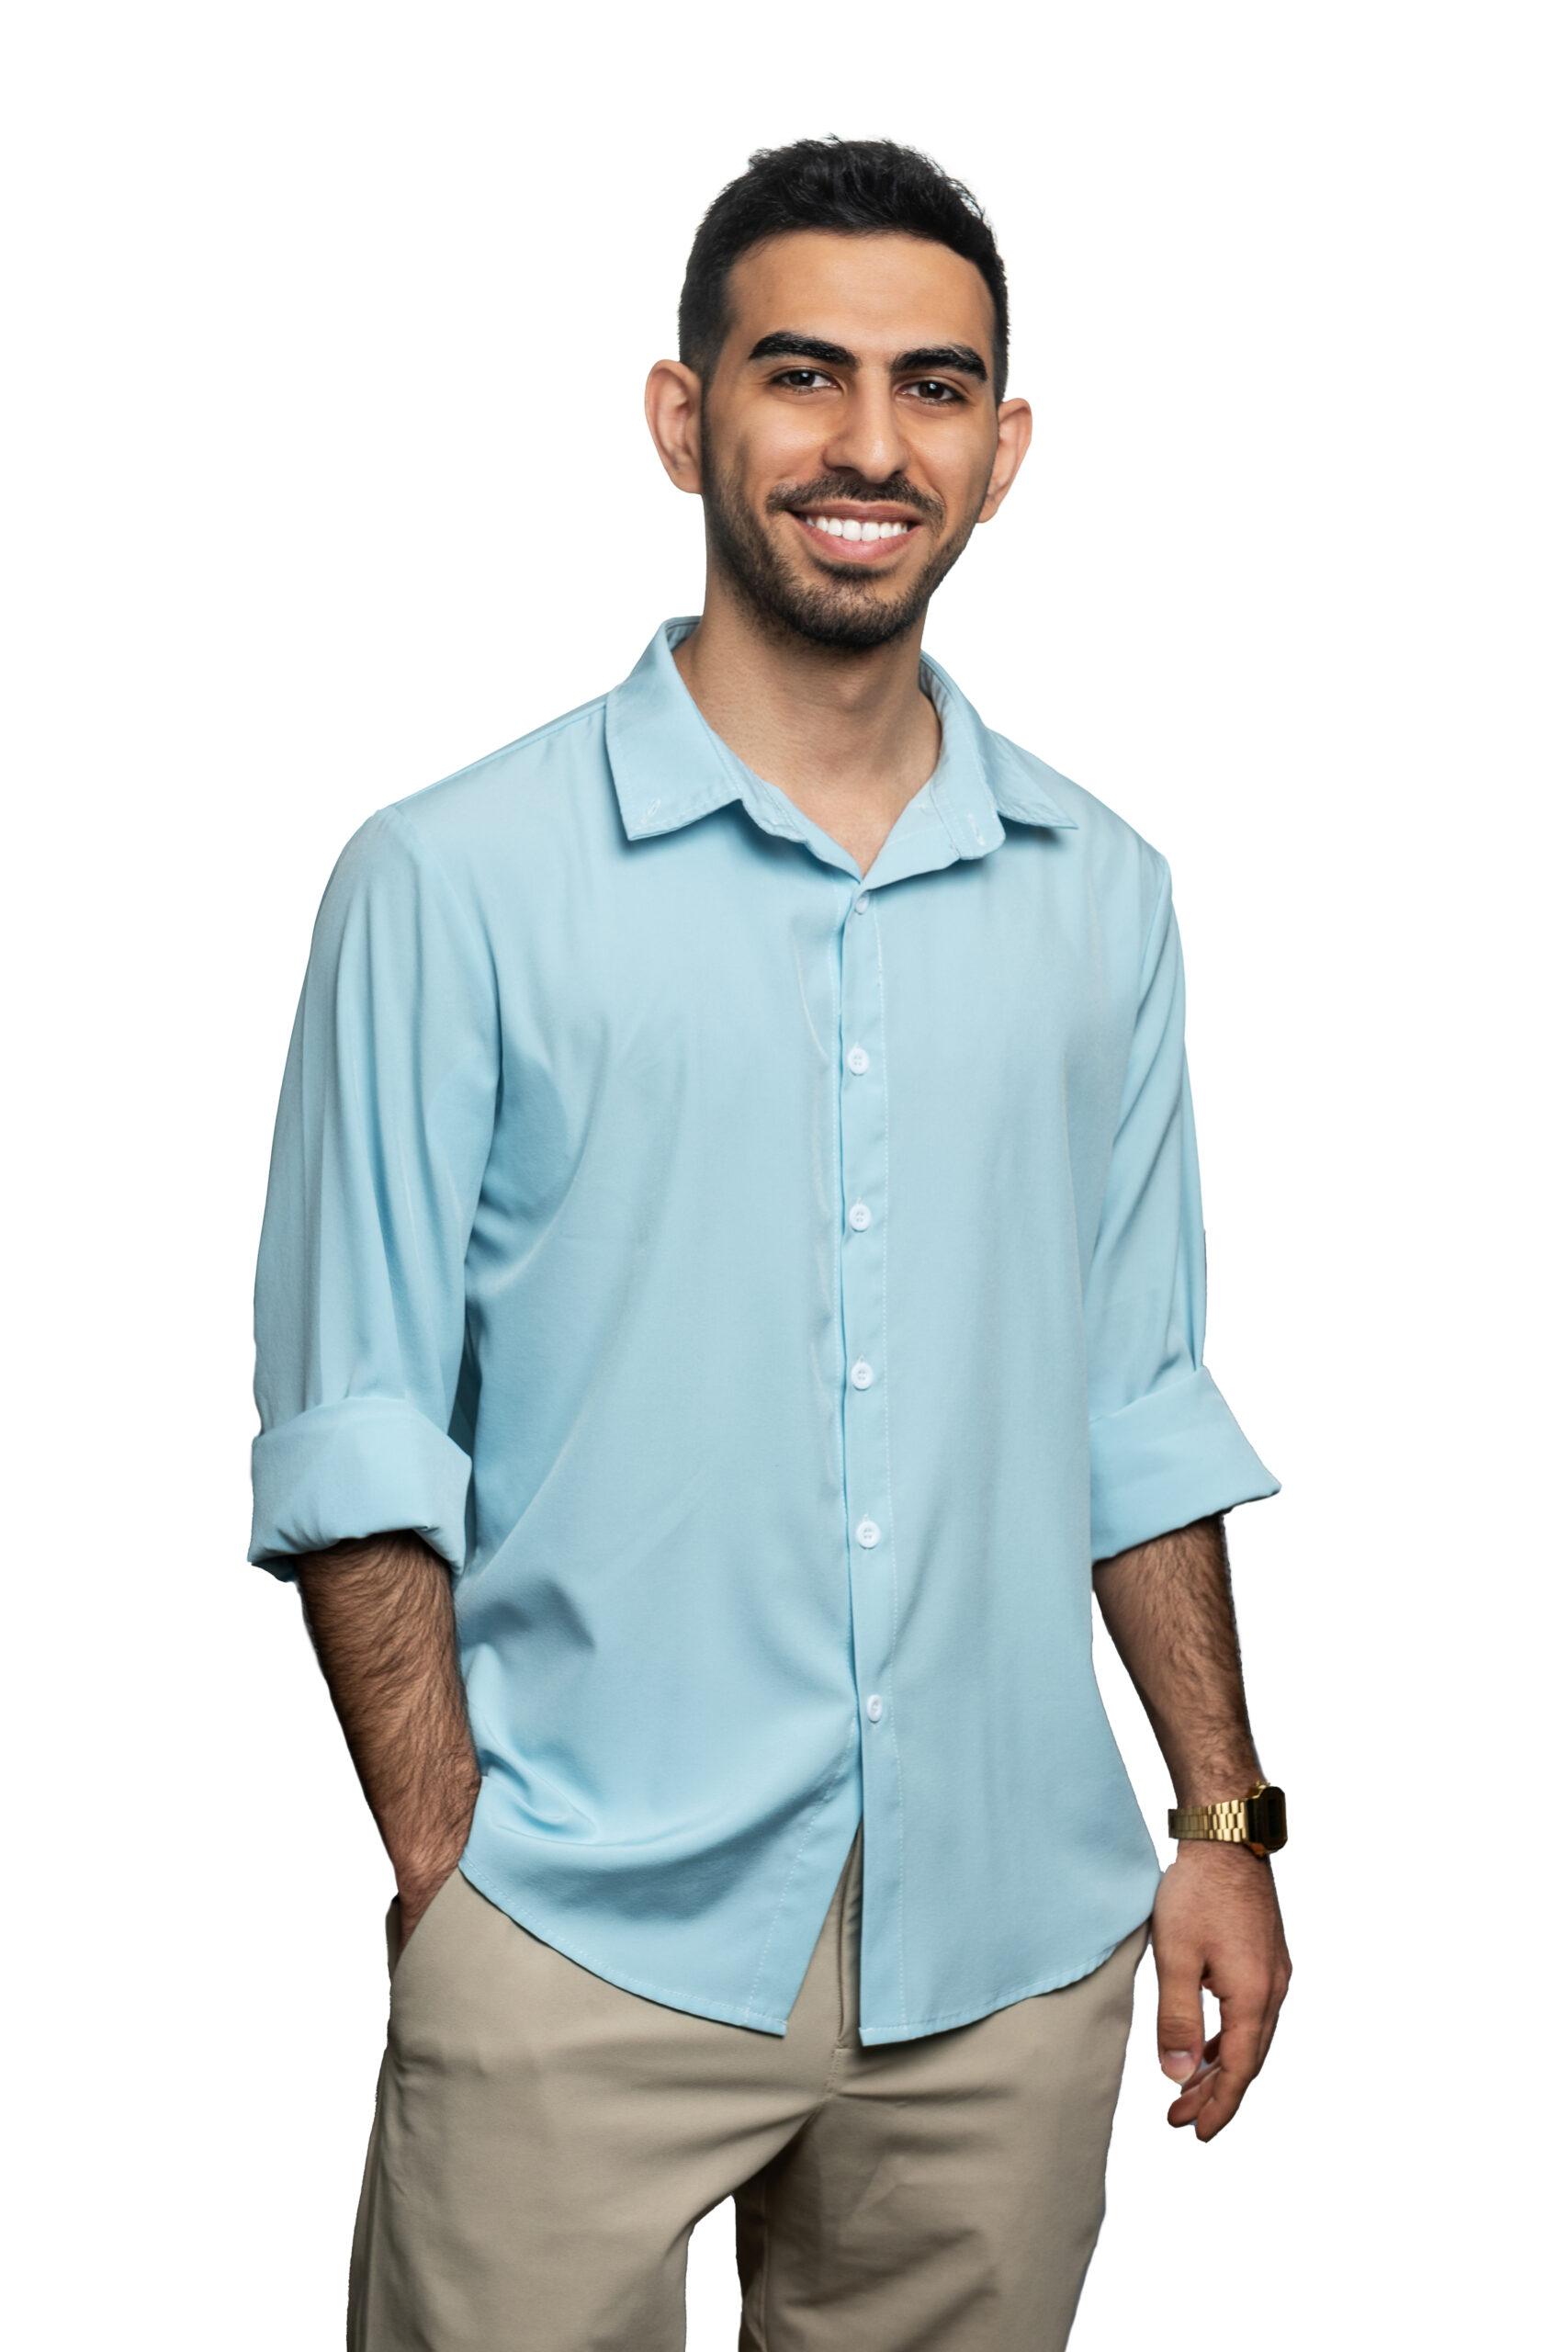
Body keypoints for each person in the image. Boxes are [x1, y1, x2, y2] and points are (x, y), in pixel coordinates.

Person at [250, 136, 1292, 2352]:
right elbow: (353, 1422)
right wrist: (449, 1871)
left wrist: (1218, 1814)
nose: (866, 444)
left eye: (933, 388)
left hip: (1009, 1946)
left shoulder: (1101, 893)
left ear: (1002, 450)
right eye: (801, 373)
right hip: (581, 1936)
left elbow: (1131, 1395)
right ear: (681, 415)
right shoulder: (450, 880)